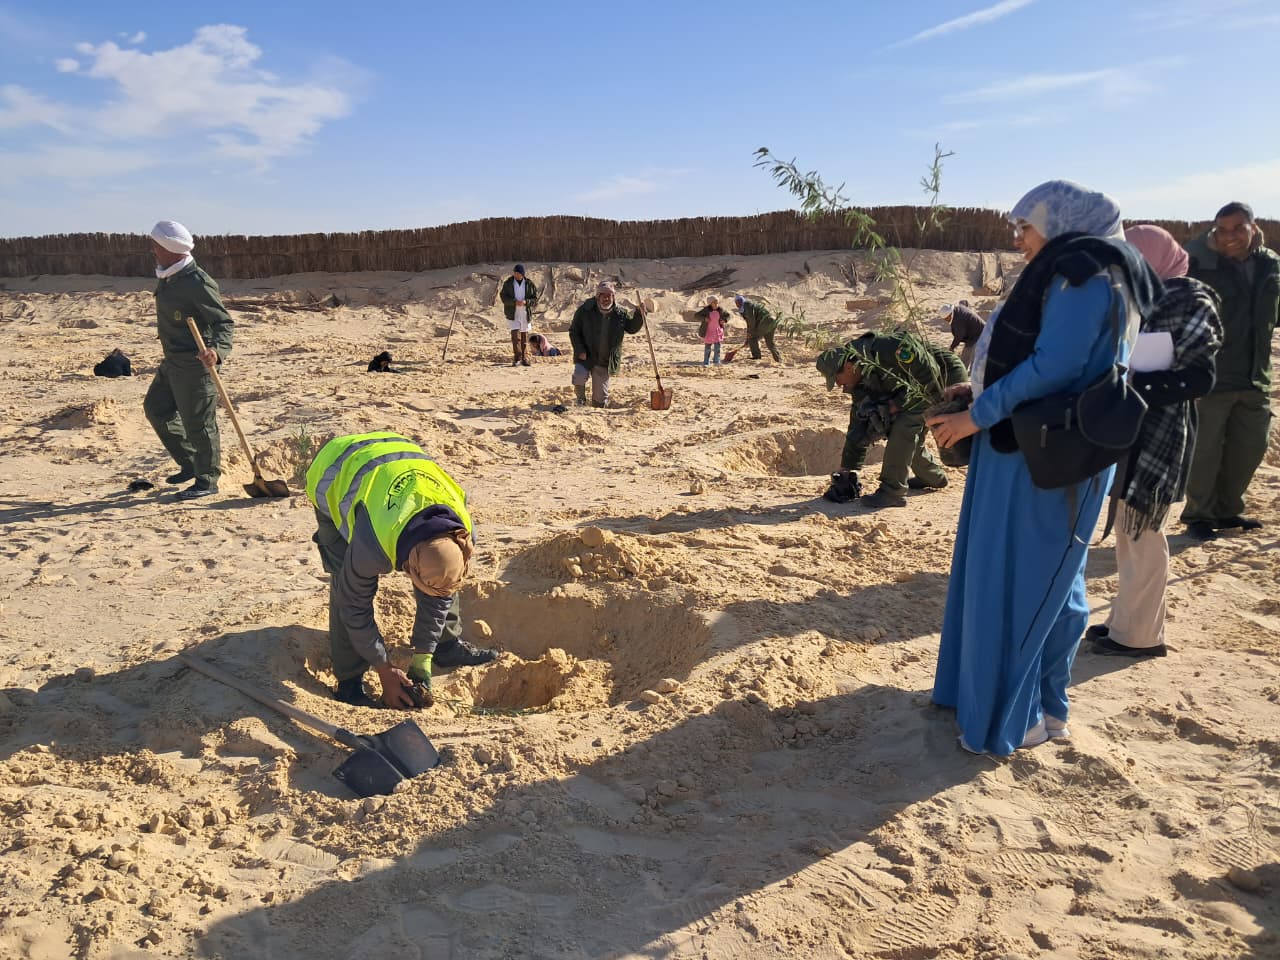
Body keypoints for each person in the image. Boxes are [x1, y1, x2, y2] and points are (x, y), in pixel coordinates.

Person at [926, 180, 1160, 756]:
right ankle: (1049, 706)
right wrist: (979, 388)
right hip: (1053, 445)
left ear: (1061, 224)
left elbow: (1054, 367)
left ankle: (1020, 715)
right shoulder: (1113, 272)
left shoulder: (1082, 275)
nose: (1018, 238)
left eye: (1024, 226)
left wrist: (977, 416)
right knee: (1057, 578)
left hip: (1039, 452)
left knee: (1021, 581)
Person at [1086, 225, 1222, 658]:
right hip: (1132, 427)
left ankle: (1141, 637)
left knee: (1145, 533)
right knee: (1130, 531)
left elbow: (1200, 376)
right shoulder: (1144, 297)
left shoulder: (1191, 299)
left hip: (1159, 432)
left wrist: (1138, 385)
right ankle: (1126, 623)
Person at [305, 432, 500, 709]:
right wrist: (384, 668)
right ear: (407, 567)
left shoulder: (462, 532)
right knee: (344, 579)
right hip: (335, 470)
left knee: (444, 577)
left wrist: (423, 658)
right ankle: (349, 681)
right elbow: (354, 607)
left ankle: (445, 646)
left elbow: (442, 587)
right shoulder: (373, 545)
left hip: (399, 459)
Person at [1179, 202, 1280, 540]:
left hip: (1256, 375)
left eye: (1237, 228)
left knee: (1249, 448)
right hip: (1212, 374)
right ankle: (1199, 515)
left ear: (1253, 227)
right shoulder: (1198, 263)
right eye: (1222, 230)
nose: (1229, 237)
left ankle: (1228, 510)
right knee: (1205, 451)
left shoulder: (1270, 264)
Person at [815, 331, 965, 508]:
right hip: (909, 387)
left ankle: (892, 492)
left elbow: (928, 375)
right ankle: (932, 477)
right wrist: (847, 468)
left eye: (837, 379)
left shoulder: (887, 348)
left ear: (848, 366)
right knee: (906, 435)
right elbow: (858, 422)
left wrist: (897, 404)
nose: (839, 385)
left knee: (903, 426)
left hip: (943, 377)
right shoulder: (857, 380)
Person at [143, 220, 233, 500]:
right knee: (157, 409)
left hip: (195, 364)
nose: (152, 250)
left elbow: (223, 323)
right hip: (172, 362)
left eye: (156, 245)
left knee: (199, 423)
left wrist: (216, 350)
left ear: (170, 249)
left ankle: (207, 479)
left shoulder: (197, 282)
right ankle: (191, 464)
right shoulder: (169, 276)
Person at [568, 281, 644, 407]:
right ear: (598, 296)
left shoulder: (620, 313)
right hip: (586, 356)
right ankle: (580, 399)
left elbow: (632, 328)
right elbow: (574, 331)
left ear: (613, 297)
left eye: (609, 295)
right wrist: (580, 349)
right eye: (603, 295)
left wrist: (639, 314)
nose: (606, 298)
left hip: (604, 361)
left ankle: (598, 403)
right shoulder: (585, 310)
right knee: (579, 375)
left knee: (600, 402)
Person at [499, 264, 539, 367]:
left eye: (518, 273)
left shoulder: (529, 284)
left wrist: (526, 302)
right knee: (515, 336)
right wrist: (514, 302)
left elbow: (535, 299)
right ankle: (517, 358)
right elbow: (503, 297)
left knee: (524, 337)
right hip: (513, 312)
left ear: (522, 274)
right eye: (515, 273)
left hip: (525, 312)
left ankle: (524, 358)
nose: (516, 275)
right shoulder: (508, 283)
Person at [734, 294, 782, 362]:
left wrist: (749, 334)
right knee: (770, 343)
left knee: (752, 338)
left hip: (765, 322)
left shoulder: (747, 306)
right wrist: (748, 334)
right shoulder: (747, 306)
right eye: (736, 302)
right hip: (772, 322)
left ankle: (756, 356)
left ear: (742, 301)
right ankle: (778, 359)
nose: (737, 304)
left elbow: (751, 321)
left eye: (739, 301)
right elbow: (749, 323)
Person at [940, 301, 986, 369]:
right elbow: (965, 302)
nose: (946, 321)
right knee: (968, 355)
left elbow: (959, 335)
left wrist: (952, 347)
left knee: (970, 355)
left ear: (950, 314)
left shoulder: (959, 319)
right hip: (975, 334)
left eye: (946, 319)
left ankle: (967, 374)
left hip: (980, 334)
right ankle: (966, 371)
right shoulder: (958, 310)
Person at [695, 295, 727, 366]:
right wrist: (704, 318)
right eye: (715, 302)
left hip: (717, 331)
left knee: (717, 348)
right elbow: (696, 316)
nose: (716, 304)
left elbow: (728, 315)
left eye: (717, 302)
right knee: (708, 348)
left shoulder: (720, 309)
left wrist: (724, 320)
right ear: (710, 303)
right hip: (708, 331)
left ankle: (716, 361)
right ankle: (706, 362)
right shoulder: (706, 310)